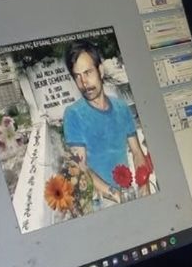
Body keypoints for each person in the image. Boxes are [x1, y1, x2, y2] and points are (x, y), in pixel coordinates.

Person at [62, 40, 151, 202]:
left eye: (88, 72)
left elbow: (137, 152)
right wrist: (115, 194)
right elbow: (80, 166)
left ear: (100, 71)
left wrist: (143, 182)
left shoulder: (121, 108)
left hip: (127, 191)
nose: (84, 83)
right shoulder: (73, 114)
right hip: (101, 199)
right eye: (77, 76)